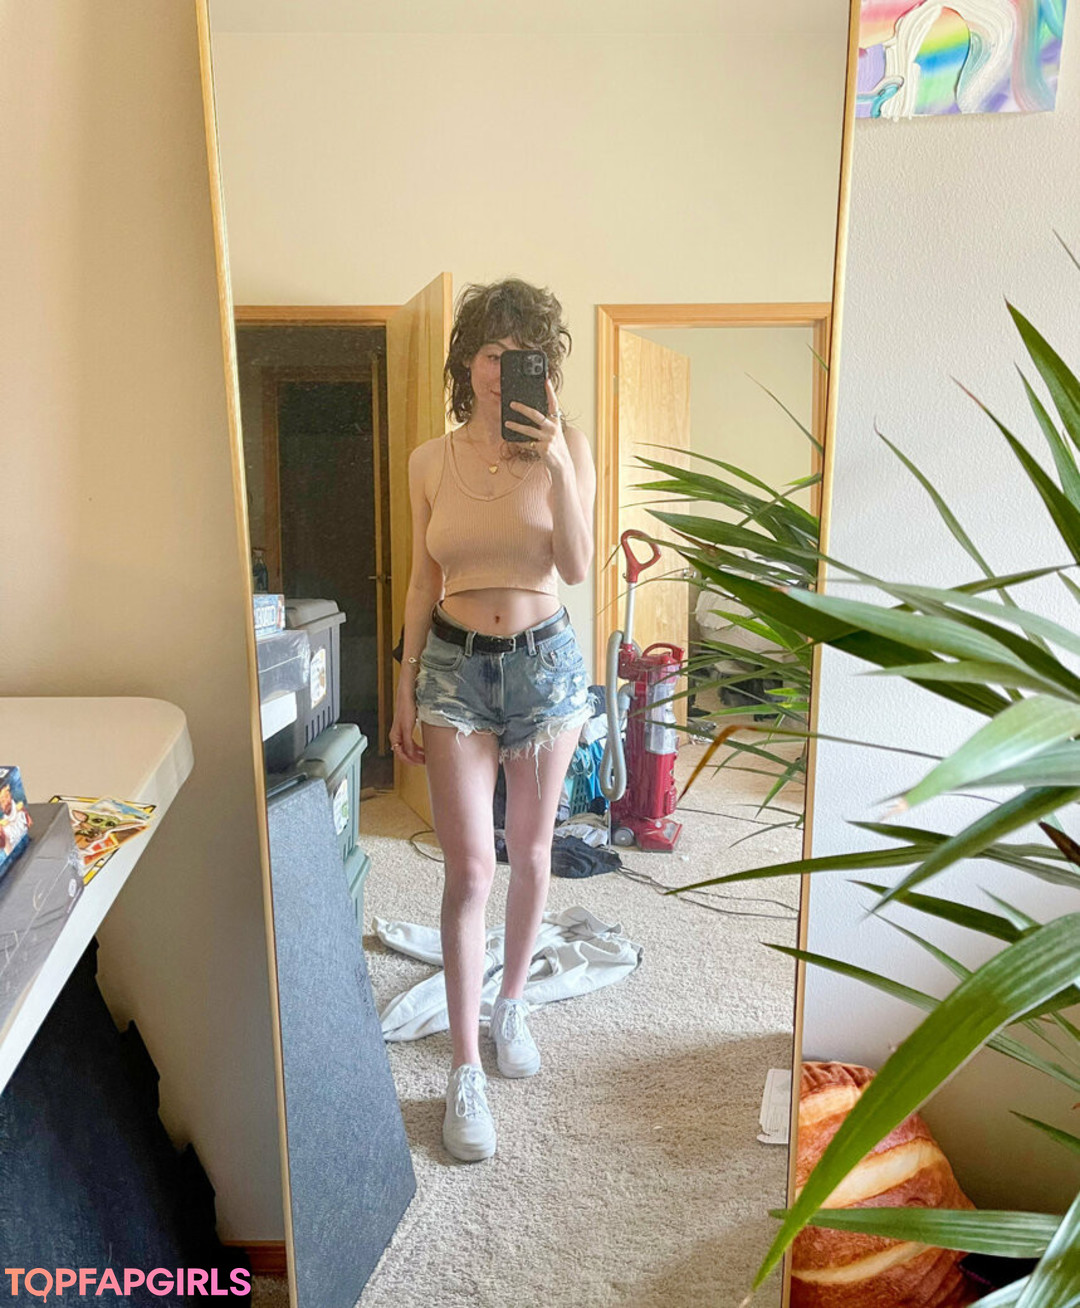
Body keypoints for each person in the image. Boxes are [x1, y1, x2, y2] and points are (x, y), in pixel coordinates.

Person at [388, 278, 596, 1162]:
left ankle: (512, 1003)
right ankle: (465, 1067)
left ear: (541, 366)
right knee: (471, 867)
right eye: (489, 350)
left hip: (546, 665)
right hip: (452, 670)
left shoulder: (568, 447)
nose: (501, 366)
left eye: (521, 353)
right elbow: (422, 579)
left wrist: (557, 466)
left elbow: (577, 567)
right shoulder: (428, 462)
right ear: (465, 362)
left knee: (533, 851)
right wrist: (402, 684)